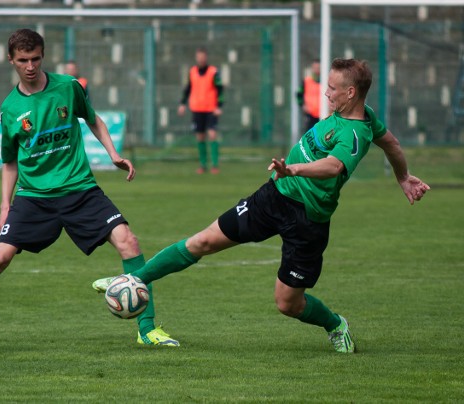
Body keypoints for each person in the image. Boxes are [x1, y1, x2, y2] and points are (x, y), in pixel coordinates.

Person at [94, 58, 430, 353]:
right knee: (203, 241)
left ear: (351, 93)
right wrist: (403, 176)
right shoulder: (367, 117)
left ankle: (335, 325)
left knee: (288, 303)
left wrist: (294, 168)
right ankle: (129, 280)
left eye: (331, 88)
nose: (325, 93)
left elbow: (334, 166)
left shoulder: (356, 132)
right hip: (273, 197)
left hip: (307, 221)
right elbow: (393, 143)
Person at [0, 29, 179, 349]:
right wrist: (5, 205)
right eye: (23, 60)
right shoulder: (10, 109)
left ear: (43, 56)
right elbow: (10, 162)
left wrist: (113, 154)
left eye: (36, 59)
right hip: (33, 197)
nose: (30, 66)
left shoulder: (68, 87)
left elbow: (93, 118)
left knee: (128, 241)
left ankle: (147, 330)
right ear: (11, 60)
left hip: (80, 188)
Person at [178, 47, 224, 175]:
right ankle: (203, 165)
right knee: (200, 136)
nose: (201, 59)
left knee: (212, 134)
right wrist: (182, 104)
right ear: (196, 57)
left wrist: (219, 106)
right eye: (199, 56)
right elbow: (188, 88)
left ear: (206, 57)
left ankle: (214, 165)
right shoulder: (192, 72)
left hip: (211, 109)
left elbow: (220, 89)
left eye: (203, 56)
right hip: (197, 109)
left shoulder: (213, 72)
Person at [297, 59, 322, 131]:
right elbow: (299, 94)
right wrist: (302, 105)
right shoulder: (306, 81)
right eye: (315, 68)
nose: (317, 70)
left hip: (324, 114)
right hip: (310, 115)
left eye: (318, 68)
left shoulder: (326, 81)